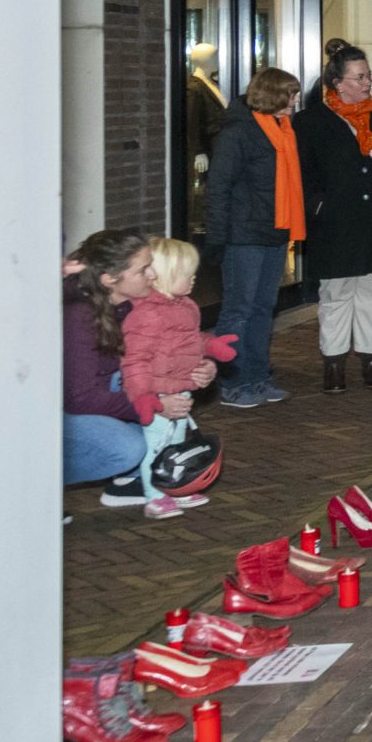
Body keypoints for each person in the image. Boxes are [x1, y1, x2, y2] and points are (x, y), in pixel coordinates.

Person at [294, 40, 372, 392]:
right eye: (359, 77)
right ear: (337, 83)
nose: (367, 82)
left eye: (368, 75)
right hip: (335, 223)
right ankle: (335, 365)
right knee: (336, 295)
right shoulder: (310, 122)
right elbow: (302, 173)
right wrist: (319, 206)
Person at [208, 65, 308, 408]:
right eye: (291, 94)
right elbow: (218, 188)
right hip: (244, 235)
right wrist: (218, 239)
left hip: (275, 232)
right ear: (274, 95)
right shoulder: (238, 132)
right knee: (239, 309)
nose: (296, 100)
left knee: (264, 308)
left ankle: (257, 376)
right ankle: (232, 383)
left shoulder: (284, 130)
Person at [120, 237, 234, 517]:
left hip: (180, 388)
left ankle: (175, 486)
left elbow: (190, 339)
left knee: (175, 442)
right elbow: (134, 360)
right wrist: (146, 396)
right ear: (163, 276)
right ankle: (154, 495)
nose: (194, 278)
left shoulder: (184, 306)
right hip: (158, 391)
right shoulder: (147, 314)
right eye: (187, 273)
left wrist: (210, 345)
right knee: (156, 446)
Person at [64, 231, 162, 504]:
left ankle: (127, 480)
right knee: (126, 448)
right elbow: (80, 399)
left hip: (97, 397)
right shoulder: (78, 317)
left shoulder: (129, 304)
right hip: (56, 412)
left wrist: (198, 366)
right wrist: (152, 403)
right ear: (109, 279)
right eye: (143, 269)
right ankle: (33, 483)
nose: (153, 275)